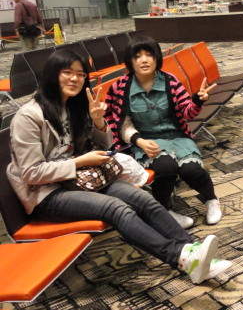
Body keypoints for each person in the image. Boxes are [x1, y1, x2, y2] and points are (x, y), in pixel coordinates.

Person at [6, 50, 231, 284]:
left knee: (143, 199)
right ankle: (180, 258)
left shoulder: (73, 106)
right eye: (67, 72)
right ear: (52, 75)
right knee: (117, 208)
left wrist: (98, 122)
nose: (75, 79)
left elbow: (104, 144)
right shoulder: (29, 116)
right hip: (46, 194)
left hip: (80, 180)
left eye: (80, 74)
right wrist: (79, 162)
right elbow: (31, 173)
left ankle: (194, 251)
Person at [104, 36, 223, 229]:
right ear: (130, 61)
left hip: (177, 137)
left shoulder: (170, 81)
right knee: (165, 167)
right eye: (137, 56)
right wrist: (139, 141)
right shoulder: (121, 88)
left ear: (156, 58)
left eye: (149, 55)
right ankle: (165, 211)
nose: (144, 60)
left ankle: (211, 200)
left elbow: (187, 113)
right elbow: (122, 125)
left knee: (191, 170)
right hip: (146, 141)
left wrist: (197, 101)